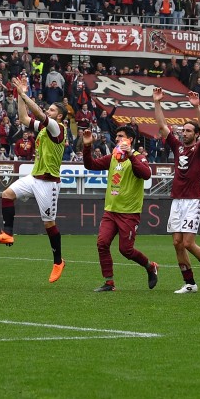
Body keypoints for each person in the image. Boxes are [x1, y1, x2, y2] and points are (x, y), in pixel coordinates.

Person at [0, 76, 66, 283]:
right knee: (6, 194)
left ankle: (58, 261)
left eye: (52, 110)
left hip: (49, 182)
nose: (48, 112)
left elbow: (38, 112)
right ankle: (7, 233)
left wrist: (23, 93)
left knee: (49, 224)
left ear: (60, 117)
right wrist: (19, 94)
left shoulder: (58, 129)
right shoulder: (44, 128)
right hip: (34, 177)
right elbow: (23, 118)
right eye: (48, 109)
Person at [152, 87, 200, 294]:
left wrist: (197, 107)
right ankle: (190, 283)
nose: (184, 133)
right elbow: (163, 126)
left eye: (189, 131)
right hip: (177, 200)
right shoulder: (178, 147)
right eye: (183, 131)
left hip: (193, 200)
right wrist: (157, 102)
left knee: (189, 243)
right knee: (177, 243)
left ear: (196, 134)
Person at [82, 125, 158, 292]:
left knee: (126, 250)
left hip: (129, 213)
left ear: (129, 140)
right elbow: (90, 165)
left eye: (120, 136)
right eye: (116, 136)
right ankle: (109, 282)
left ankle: (150, 266)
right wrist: (87, 146)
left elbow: (146, 174)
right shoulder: (113, 157)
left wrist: (130, 155)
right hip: (111, 210)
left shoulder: (139, 157)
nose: (116, 139)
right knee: (102, 243)